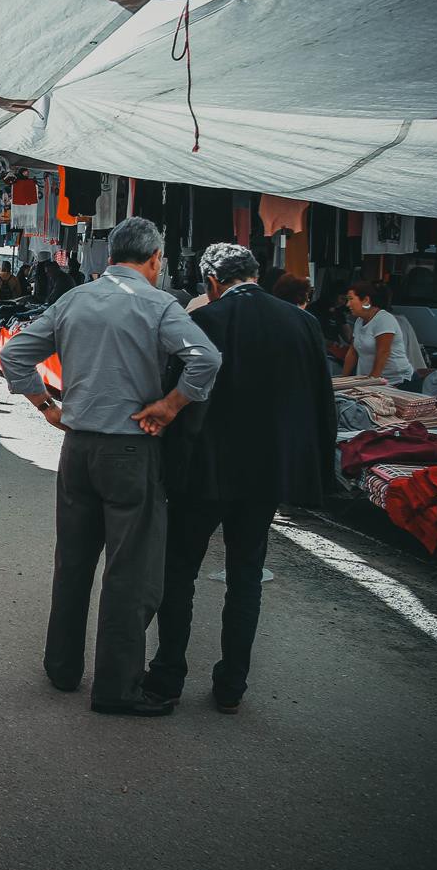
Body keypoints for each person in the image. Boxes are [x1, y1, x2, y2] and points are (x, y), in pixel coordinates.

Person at [0, 217, 222, 717]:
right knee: (130, 571)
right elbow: (205, 359)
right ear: (154, 259)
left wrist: (45, 406)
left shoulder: (75, 299)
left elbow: (15, 353)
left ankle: (62, 668)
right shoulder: (157, 303)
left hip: (77, 449)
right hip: (131, 449)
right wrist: (169, 407)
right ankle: (117, 687)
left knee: (73, 561)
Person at [150, 244, 335, 714]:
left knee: (180, 574)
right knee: (246, 576)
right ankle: (232, 685)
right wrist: (315, 473)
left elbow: (178, 401)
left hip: (203, 471)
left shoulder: (204, 322)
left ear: (212, 282)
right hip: (267, 474)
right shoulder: (303, 323)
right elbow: (321, 403)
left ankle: (167, 676)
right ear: (256, 275)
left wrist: (165, 469)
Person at [343, 279, 414, 385]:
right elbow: (352, 352)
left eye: (351, 299)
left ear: (366, 300)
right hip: (369, 380)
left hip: (397, 381)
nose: (347, 304)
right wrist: (342, 379)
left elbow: (383, 352)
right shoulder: (359, 321)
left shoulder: (384, 319)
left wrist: (371, 382)